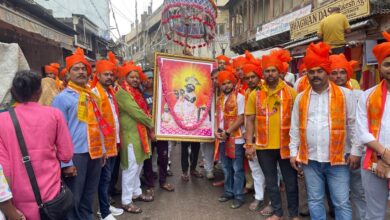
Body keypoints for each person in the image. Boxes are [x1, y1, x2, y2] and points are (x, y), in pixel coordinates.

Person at [289, 42, 356, 220]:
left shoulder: (345, 95)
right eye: (311, 71)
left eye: (319, 71)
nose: (315, 75)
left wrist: (356, 152)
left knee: (341, 202)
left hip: (339, 160)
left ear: (327, 71)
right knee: (315, 200)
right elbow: (295, 127)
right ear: (307, 74)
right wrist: (292, 153)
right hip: (310, 160)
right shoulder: (301, 98)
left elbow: (353, 125)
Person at [0, 70, 73, 220]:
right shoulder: (54, 115)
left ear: (14, 92)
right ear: (39, 91)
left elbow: (4, 168)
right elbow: (66, 155)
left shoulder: (2, 120)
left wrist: (9, 208)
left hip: (19, 203)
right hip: (52, 198)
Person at [52, 47, 107, 220]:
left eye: (84, 69)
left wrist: (103, 149)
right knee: (73, 199)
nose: (81, 72)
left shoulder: (92, 95)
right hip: (76, 155)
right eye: (76, 69)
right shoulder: (62, 98)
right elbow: (57, 133)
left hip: (95, 152)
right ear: (68, 74)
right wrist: (65, 162)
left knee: (89, 197)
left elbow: (99, 124)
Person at [245, 49, 299, 220]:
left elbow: (298, 121)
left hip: (286, 146)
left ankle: (294, 214)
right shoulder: (256, 94)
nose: (270, 74)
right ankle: (277, 212)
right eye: (267, 71)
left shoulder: (291, 93)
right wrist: (249, 145)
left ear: (280, 71)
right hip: (263, 146)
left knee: (291, 183)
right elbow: (250, 120)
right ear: (263, 73)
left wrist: (298, 147)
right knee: (271, 182)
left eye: (273, 70)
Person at [356, 31, 390, 220]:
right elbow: (362, 131)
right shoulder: (367, 95)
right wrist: (384, 156)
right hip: (373, 162)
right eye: (387, 64)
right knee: (374, 213)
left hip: (383, 159)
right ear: (379, 66)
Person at [329, 53, 366, 220]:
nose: (338, 76)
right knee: (339, 196)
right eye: (334, 73)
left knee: (359, 191)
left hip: (357, 152)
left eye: (342, 72)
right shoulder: (324, 97)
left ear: (348, 73)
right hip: (335, 154)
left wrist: (357, 151)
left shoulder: (360, 95)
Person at [115, 61, 154, 214]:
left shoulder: (137, 93)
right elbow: (136, 113)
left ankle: (136, 192)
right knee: (130, 167)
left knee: (139, 165)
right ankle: (126, 200)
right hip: (130, 135)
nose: (135, 80)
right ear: (125, 78)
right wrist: (153, 125)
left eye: (137, 77)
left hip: (140, 134)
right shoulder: (122, 92)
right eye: (132, 77)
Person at [91, 52, 124, 220]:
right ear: (98, 75)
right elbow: (95, 122)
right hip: (103, 145)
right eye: (106, 74)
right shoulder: (95, 93)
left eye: (111, 74)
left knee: (109, 177)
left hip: (113, 142)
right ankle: (103, 212)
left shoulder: (110, 92)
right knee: (104, 179)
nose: (110, 77)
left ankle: (106, 206)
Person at [215, 70, 246, 209]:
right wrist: (217, 131)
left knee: (237, 169)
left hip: (236, 139)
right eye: (224, 83)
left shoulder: (239, 97)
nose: (227, 86)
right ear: (220, 85)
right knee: (226, 168)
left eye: (229, 83)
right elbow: (218, 117)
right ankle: (228, 192)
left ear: (233, 83)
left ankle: (238, 195)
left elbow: (242, 118)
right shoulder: (220, 99)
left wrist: (227, 132)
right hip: (223, 138)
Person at [142, 70, 175, 192]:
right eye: (145, 78)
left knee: (163, 157)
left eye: (151, 78)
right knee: (147, 159)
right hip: (146, 132)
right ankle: (150, 183)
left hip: (161, 131)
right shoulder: (139, 95)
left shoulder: (161, 94)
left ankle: (163, 181)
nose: (148, 80)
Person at [241, 62, 266, 212]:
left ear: (259, 77)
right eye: (247, 78)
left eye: (253, 77)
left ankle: (271, 200)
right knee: (255, 169)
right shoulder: (247, 93)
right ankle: (259, 197)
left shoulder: (265, 92)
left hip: (266, 139)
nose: (250, 80)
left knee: (270, 170)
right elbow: (248, 118)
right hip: (251, 138)